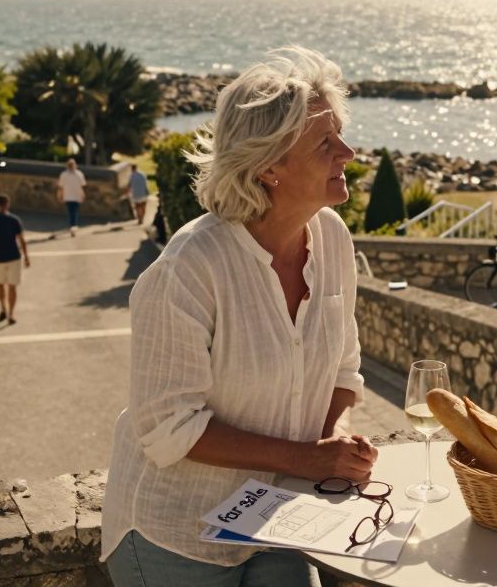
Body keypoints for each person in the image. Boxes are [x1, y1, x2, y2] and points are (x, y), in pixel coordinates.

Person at [101, 46, 375, 587]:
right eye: (326, 143)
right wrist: (306, 459)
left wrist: (335, 445)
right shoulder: (189, 268)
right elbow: (167, 429)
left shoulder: (334, 239)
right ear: (269, 166)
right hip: (173, 534)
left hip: (275, 516)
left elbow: (342, 371)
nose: (347, 151)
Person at [0, 195, 30, 324]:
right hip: (14, 257)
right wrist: (26, 258)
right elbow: (22, 240)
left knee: (0, 286)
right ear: (7, 204)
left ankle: (4, 308)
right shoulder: (14, 220)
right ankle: (11, 314)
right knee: (12, 287)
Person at [57, 158, 87, 236]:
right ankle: (73, 226)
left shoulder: (63, 174)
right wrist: (83, 195)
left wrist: (59, 195)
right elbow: (82, 185)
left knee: (71, 211)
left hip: (68, 196)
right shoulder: (79, 174)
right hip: (76, 195)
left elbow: (60, 186)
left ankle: (72, 225)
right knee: (74, 211)